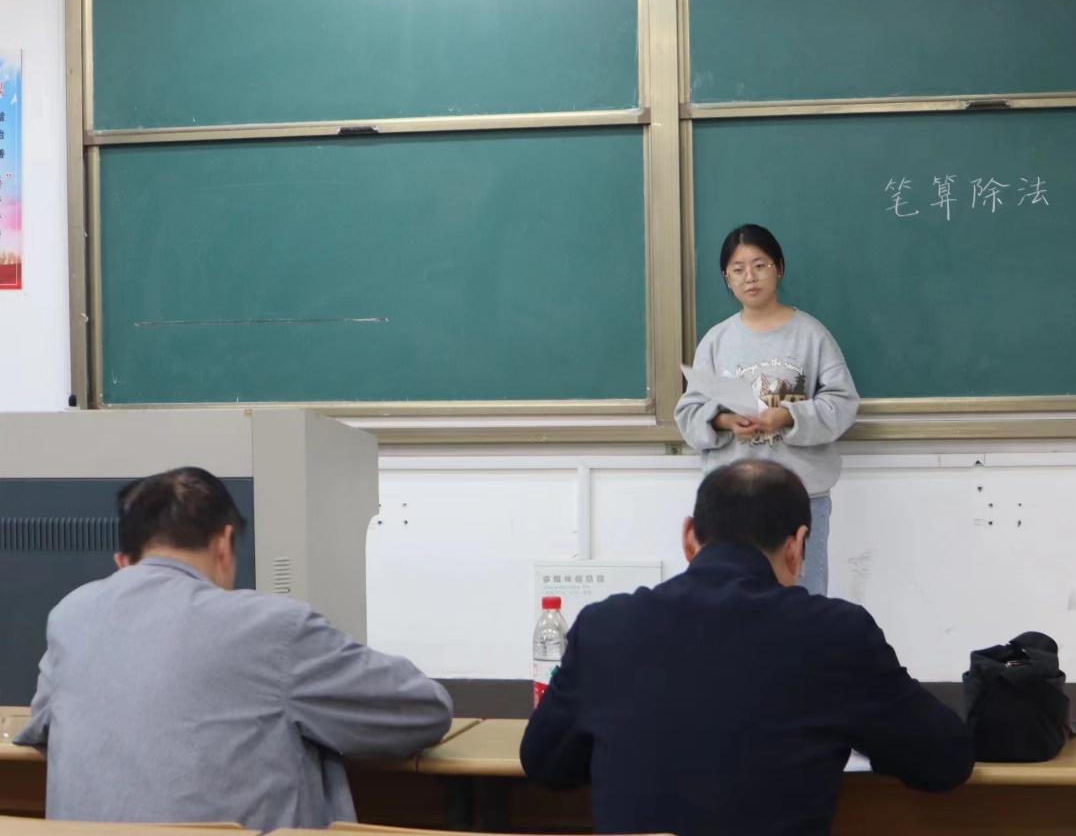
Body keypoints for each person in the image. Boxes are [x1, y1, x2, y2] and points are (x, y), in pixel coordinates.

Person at [520, 459, 974, 836]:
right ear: (797, 547)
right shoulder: (835, 633)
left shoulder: (605, 625)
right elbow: (944, 761)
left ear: (688, 537)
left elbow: (544, 764)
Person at [15, 467, 454, 832]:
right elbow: (423, 711)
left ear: (123, 563)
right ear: (225, 543)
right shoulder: (272, 627)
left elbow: (43, 724)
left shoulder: (70, 616)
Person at [675, 224, 858, 596]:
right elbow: (688, 413)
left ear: (779, 268)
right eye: (738, 269)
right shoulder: (717, 340)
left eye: (760, 265)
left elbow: (842, 403)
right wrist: (724, 421)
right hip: (731, 498)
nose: (750, 277)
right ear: (727, 278)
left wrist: (789, 416)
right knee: (731, 600)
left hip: (800, 496)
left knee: (802, 601)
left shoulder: (811, 335)